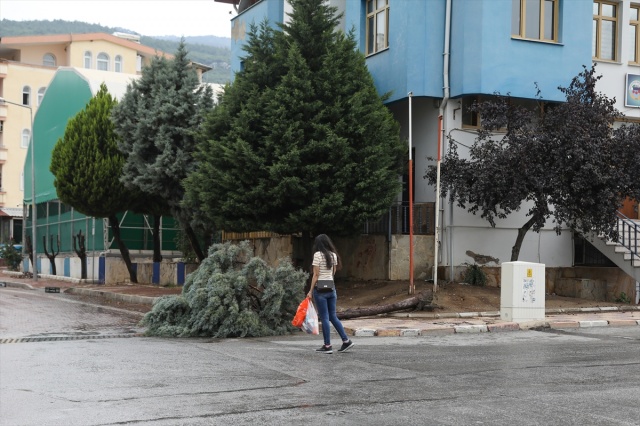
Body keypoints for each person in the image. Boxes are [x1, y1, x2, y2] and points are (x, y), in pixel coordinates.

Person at [306, 234, 354, 354]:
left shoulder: (317, 255)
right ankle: (346, 340)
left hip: (320, 291)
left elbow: (316, 275)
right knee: (333, 316)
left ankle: (327, 345)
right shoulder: (333, 255)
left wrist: (310, 291)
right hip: (332, 289)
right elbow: (332, 273)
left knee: (325, 318)